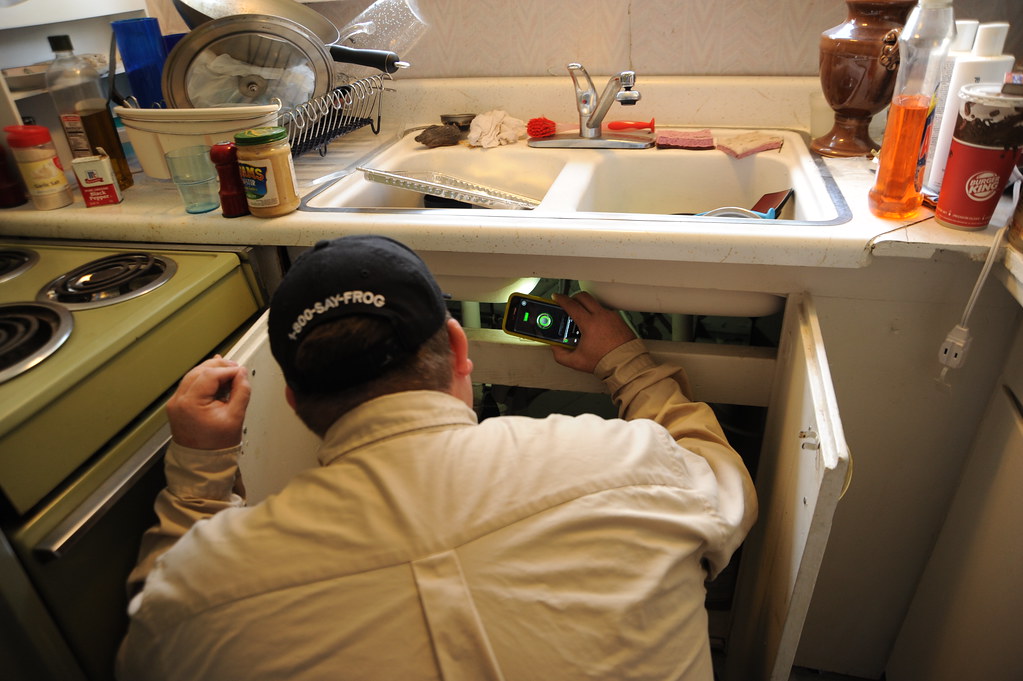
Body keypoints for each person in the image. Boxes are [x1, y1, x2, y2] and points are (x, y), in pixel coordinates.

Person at [117, 234, 757, 681]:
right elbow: (722, 474)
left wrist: (200, 477)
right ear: (458, 347)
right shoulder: (630, 462)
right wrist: (628, 363)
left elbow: (154, 639)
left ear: (289, 397)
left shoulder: (203, 589)